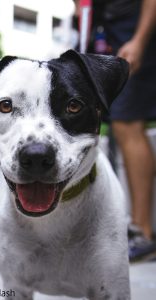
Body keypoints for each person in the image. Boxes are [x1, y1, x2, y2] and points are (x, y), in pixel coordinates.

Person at [75, 0, 156, 262]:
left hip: (134, 29)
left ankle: (142, 233)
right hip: (102, 30)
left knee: (127, 122)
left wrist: (140, 40)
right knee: (92, 117)